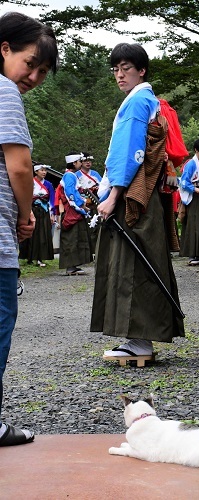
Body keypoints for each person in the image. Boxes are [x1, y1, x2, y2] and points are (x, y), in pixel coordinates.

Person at [90, 42, 185, 359]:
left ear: (141, 70)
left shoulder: (136, 103)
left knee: (133, 263)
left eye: (126, 68)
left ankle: (140, 341)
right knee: (141, 258)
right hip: (144, 192)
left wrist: (114, 194)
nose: (119, 75)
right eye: (115, 69)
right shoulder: (150, 101)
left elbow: (131, 152)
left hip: (132, 193)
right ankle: (138, 338)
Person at [0, 11, 58, 446]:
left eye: (42, 71)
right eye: (31, 62)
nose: (35, 76)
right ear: (4, 49)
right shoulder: (4, 92)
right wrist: (26, 215)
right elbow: (20, 166)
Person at [58, 152, 93, 275]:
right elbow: (70, 192)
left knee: (76, 237)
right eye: (79, 161)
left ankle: (74, 265)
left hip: (75, 209)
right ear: (74, 163)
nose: (81, 163)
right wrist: (81, 204)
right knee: (71, 238)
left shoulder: (71, 175)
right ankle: (70, 266)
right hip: (72, 210)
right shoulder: (69, 176)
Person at [179, 139, 199, 266]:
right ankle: (192, 254)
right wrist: (197, 190)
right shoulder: (191, 164)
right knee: (194, 224)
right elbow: (183, 182)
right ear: (196, 150)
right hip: (194, 196)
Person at [19, 163, 55, 266]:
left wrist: (53, 213)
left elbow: (52, 199)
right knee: (31, 234)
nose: (44, 172)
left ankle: (40, 258)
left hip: (44, 211)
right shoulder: (30, 182)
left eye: (45, 170)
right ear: (36, 171)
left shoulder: (48, 184)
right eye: (41, 170)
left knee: (42, 234)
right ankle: (29, 257)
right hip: (32, 210)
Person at [76, 152, 102, 253]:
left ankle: (96, 250)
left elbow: (102, 186)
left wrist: (96, 188)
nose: (88, 163)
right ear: (81, 162)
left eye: (89, 161)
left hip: (94, 204)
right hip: (82, 205)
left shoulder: (95, 174)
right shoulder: (76, 175)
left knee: (96, 226)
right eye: (85, 161)